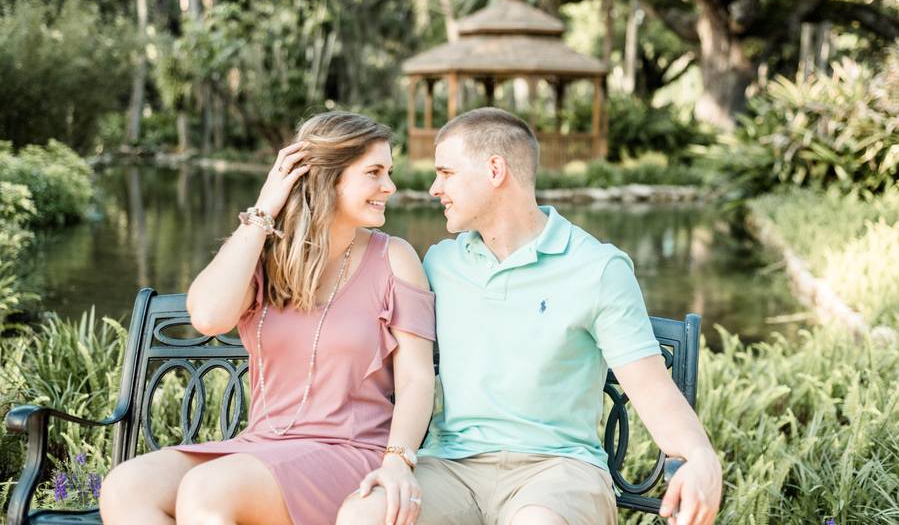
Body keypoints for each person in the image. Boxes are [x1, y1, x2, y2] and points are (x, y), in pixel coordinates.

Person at [338, 107, 722, 525]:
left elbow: (650, 389)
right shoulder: (438, 264)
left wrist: (700, 456)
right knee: (365, 515)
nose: (434, 188)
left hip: (558, 473)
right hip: (450, 469)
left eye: (446, 173)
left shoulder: (597, 268)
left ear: (495, 170)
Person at [99, 112, 437, 525]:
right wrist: (263, 212)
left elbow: (417, 378)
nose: (390, 186)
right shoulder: (266, 257)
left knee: (208, 490)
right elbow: (207, 316)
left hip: (349, 451)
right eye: (374, 172)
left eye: (389, 171)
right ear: (327, 178)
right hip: (260, 446)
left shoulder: (394, 257)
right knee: (127, 486)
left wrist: (398, 461)